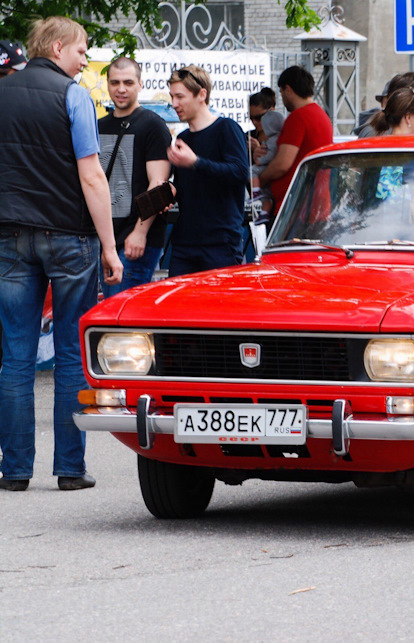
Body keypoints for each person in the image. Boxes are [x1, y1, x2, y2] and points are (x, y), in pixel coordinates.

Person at [0, 16, 123, 492]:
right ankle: (70, 468)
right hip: (69, 238)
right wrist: (110, 247)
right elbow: (92, 176)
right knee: (71, 350)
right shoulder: (73, 95)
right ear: (56, 47)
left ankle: (14, 470)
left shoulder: (3, 91)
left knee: (15, 357)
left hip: (10, 237)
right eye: (81, 49)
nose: (85, 58)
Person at [97, 57, 173, 297]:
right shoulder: (97, 126)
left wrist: (139, 233)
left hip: (135, 238)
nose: (121, 89)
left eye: (128, 82)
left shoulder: (153, 125)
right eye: (115, 82)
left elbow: (159, 185)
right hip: (102, 237)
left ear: (140, 84)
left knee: (122, 312)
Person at [166, 64, 248, 277]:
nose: (174, 104)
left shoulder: (227, 128)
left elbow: (239, 173)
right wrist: (170, 191)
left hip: (221, 244)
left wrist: (195, 162)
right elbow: (188, 187)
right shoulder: (183, 138)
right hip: (185, 244)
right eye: (172, 96)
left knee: (221, 308)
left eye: (180, 97)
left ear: (202, 94)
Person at [258, 66, 333, 214]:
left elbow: (282, 164)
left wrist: (260, 179)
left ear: (288, 90)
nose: (282, 98)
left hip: (296, 208)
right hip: (317, 202)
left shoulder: (298, 118)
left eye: (281, 92)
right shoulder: (322, 115)